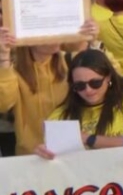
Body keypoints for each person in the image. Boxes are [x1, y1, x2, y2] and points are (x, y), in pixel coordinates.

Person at [0, 22, 99, 155]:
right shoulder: (13, 71)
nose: (55, 36)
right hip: (32, 156)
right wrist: (3, 57)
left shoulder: (71, 62)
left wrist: (92, 43)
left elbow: (110, 82)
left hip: (75, 152)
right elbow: (3, 104)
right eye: (46, 32)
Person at [36, 49, 123, 157]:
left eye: (95, 83)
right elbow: (52, 150)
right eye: (79, 86)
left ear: (108, 78)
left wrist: (88, 139)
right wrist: (45, 152)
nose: (88, 90)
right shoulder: (61, 114)